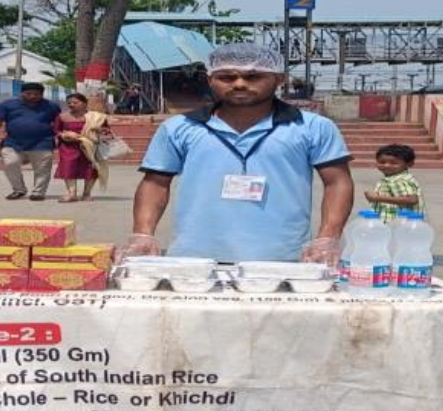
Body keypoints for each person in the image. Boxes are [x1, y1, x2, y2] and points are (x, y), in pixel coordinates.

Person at [128, 43, 354, 264]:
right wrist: (143, 234)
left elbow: (337, 182)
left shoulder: (313, 127)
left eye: (253, 77)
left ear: (279, 79)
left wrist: (327, 238)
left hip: (282, 260)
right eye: (226, 77)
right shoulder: (179, 127)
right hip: (194, 260)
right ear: (210, 79)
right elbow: (155, 183)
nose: (239, 84)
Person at [0, 82, 61, 201]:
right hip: (13, 142)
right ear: (21, 93)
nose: (32, 96)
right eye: (29, 93)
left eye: (36, 94)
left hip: (42, 142)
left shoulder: (51, 106)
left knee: (42, 168)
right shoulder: (8, 104)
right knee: (10, 163)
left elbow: (59, 122)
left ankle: (38, 192)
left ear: (42, 94)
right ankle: (19, 190)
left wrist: (60, 135)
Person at [54, 92, 109, 202]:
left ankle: (87, 194)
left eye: (75, 102)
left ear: (84, 104)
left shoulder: (96, 117)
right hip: (69, 147)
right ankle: (71, 194)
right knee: (68, 168)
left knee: (90, 169)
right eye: (69, 103)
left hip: (90, 146)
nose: (71, 104)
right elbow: (56, 130)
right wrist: (64, 135)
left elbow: (107, 130)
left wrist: (99, 130)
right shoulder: (62, 116)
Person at [364, 144, 427, 223]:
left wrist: (377, 198)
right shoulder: (392, 178)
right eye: (382, 162)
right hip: (394, 222)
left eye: (394, 163)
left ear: (409, 164)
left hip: (400, 224)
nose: (386, 165)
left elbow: (412, 199)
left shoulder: (401, 180)